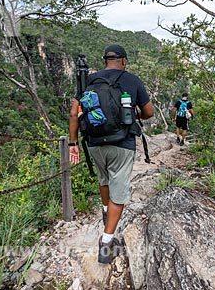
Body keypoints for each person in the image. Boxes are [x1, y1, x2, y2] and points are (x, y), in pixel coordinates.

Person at [68, 44, 154, 264]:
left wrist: (73, 144)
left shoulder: (89, 81)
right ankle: (106, 243)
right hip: (122, 143)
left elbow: (73, 114)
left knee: (104, 178)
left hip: (95, 143)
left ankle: (106, 210)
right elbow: (149, 112)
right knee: (119, 190)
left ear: (105, 60)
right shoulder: (132, 80)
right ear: (123, 61)